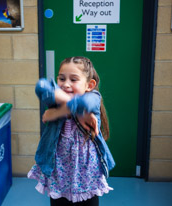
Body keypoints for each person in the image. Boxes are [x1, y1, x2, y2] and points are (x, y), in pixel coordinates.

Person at [28, 56, 115, 206]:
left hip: (86, 173)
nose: (65, 84)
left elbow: (83, 103)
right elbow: (41, 87)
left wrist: (55, 113)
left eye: (73, 80)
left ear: (89, 85)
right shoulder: (56, 100)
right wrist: (74, 110)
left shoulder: (93, 97)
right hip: (59, 172)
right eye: (61, 79)